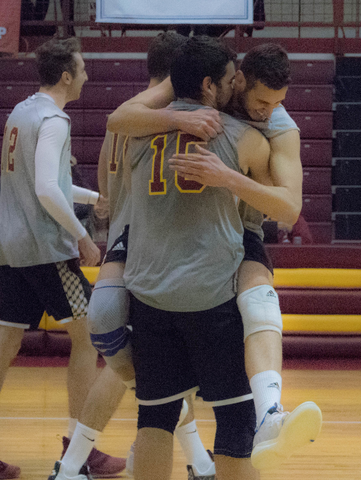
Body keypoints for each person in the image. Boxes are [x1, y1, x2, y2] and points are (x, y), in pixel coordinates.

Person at [106, 42, 322, 472]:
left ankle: (270, 411)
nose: (267, 110)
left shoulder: (278, 125)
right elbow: (117, 119)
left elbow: (290, 208)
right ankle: (251, 417)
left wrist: (227, 178)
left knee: (257, 288)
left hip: (192, 254)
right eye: (261, 100)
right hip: (201, 279)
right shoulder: (197, 107)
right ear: (234, 81)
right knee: (101, 317)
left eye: (277, 103)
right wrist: (177, 118)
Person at [0, 37, 125, 480]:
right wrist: (82, 238)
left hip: (10, 247)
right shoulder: (54, 119)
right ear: (66, 75)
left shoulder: (21, 112)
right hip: (46, 250)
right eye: (83, 69)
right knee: (89, 338)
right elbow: (47, 189)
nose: (87, 76)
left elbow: (37, 182)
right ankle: (80, 447)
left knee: (4, 342)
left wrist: (92, 198)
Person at [83, 32, 219, 480]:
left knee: (132, 346)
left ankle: (195, 458)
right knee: (132, 349)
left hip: (137, 238)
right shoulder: (152, 115)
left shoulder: (131, 115)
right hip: (142, 235)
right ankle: (78, 453)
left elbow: (104, 188)